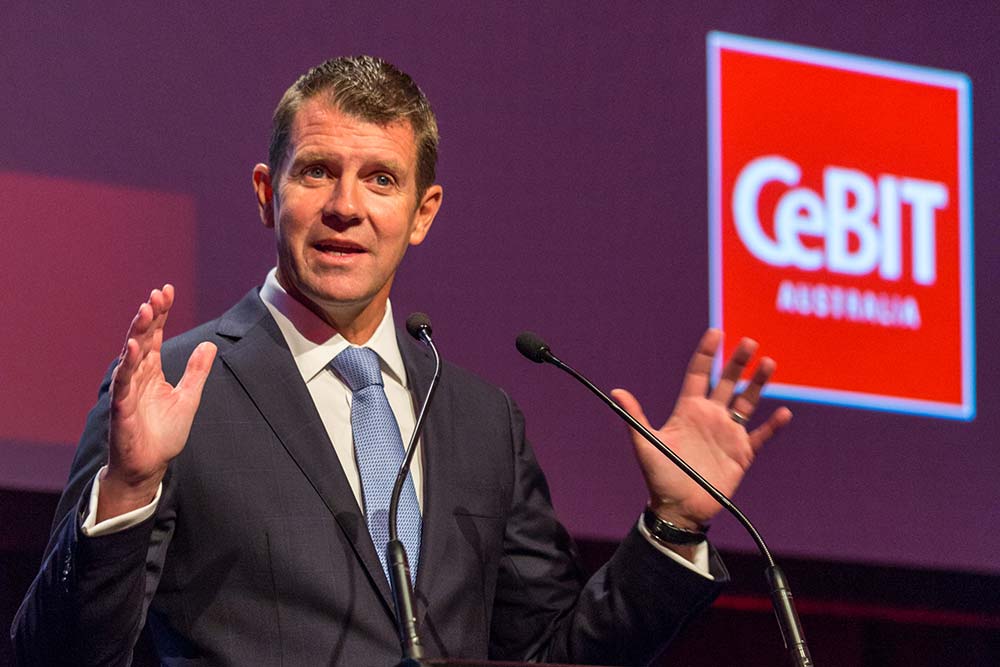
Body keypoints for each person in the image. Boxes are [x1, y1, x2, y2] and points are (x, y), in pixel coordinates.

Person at [12, 56, 791, 666]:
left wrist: (675, 524)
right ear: (265, 191)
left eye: (380, 178)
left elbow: (549, 659)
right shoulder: (174, 391)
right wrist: (128, 491)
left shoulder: (484, 422)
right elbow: (56, 656)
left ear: (422, 212)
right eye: (317, 170)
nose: (346, 205)